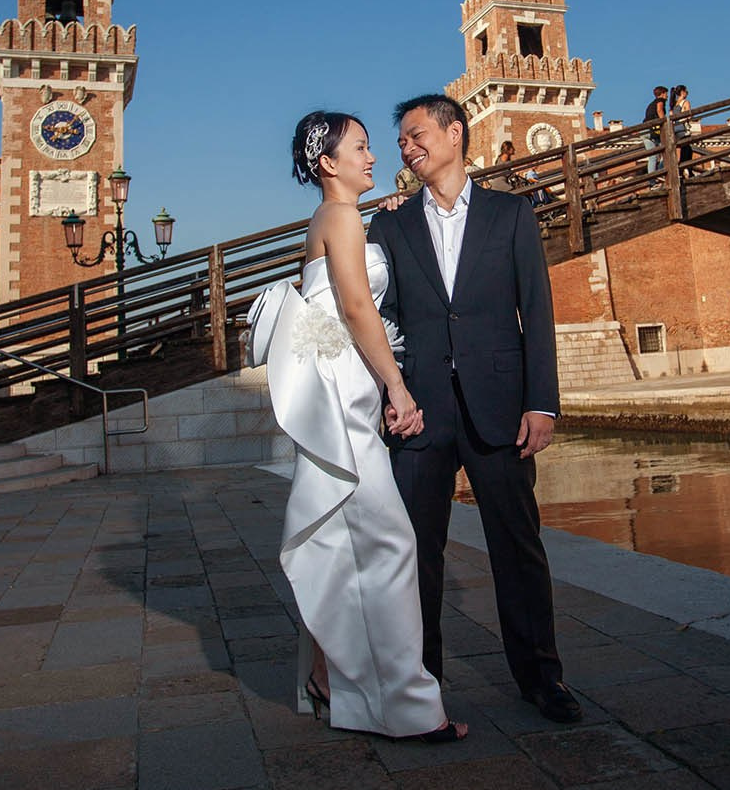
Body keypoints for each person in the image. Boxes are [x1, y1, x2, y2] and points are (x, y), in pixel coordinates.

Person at [247, 111, 466, 743]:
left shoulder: (331, 218)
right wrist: (397, 387)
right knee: (392, 542)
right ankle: (405, 706)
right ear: (329, 162)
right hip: (346, 398)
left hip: (340, 390)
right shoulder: (340, 218)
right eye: (363, 148)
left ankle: (328, 675)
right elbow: (352, 306)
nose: (375, 157)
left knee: (346, 542)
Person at [367, 93, 581, 724]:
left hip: (501, 409)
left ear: (455, 134)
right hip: (420, 414)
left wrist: (542, 402)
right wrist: (390, 393)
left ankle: (543, 678)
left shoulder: (512, 215)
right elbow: (379, 318)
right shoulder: (390, 224)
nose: (406, 148)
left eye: (415, 135)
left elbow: (536, 312)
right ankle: (419, 685)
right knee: (415, 554)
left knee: (518, 547)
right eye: (401, 140)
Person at [642, 86, 669, 178]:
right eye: (666, 94)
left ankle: (652, 181)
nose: (667, 96)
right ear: (662, 94)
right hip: (652, 131)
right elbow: (659, 110)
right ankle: (661, 173)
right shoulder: (660, 101)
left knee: (652, 157)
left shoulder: (651, 104)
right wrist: (665, 123)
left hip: (645, 131)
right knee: (667, 151)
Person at [671, 83, 696, 173]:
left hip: (676, 129)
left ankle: (685, 170)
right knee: (687, 150)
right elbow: (688, 116)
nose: (687, 93)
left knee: (683, 149)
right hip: (683, 128)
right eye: (686, 91)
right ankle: (685, 170)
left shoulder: (674, 104)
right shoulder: (685, 102)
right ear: (682, 92)